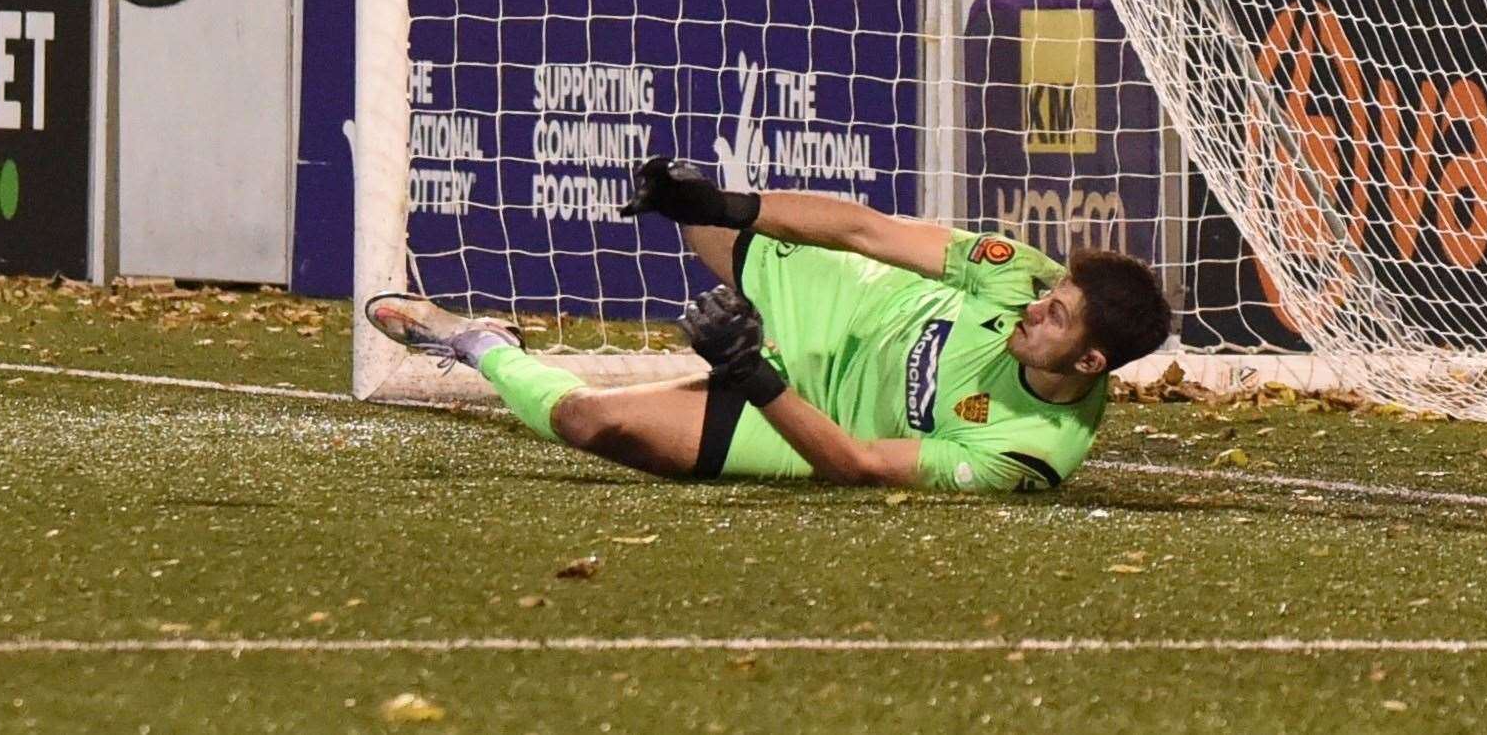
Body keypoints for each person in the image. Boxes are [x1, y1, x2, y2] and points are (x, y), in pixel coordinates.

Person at [364, 158, 1172, 493]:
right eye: (1047, 293)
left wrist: (754, 375)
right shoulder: (1020, 273)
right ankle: (713, 231)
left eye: (1054, 315)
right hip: (854, 304)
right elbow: (865, 232)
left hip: (817, 414)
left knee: (590, 420)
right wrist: (726, 204)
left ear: (1091, 360)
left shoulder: (1032, 451)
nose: (1034, 306)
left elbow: (854, 464)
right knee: (698, 219)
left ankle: (479, 344)